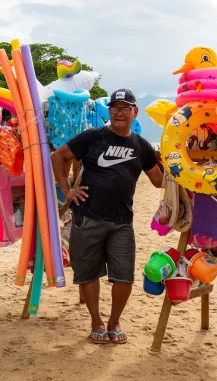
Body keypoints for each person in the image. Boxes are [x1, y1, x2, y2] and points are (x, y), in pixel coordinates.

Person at [51, 88, 164, 345]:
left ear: (135, 112)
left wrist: (180, 165)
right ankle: (96, 322)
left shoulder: (141, 145)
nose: (120, 113)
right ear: (109, 111)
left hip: (122, 221)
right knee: (88, 273)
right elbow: (58, 155)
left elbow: (158, 181)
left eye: (125, 108)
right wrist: (67, 189)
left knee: (124, 275)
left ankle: (114, 321)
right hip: (87, 217)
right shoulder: (92, 137)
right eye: (115, 108)